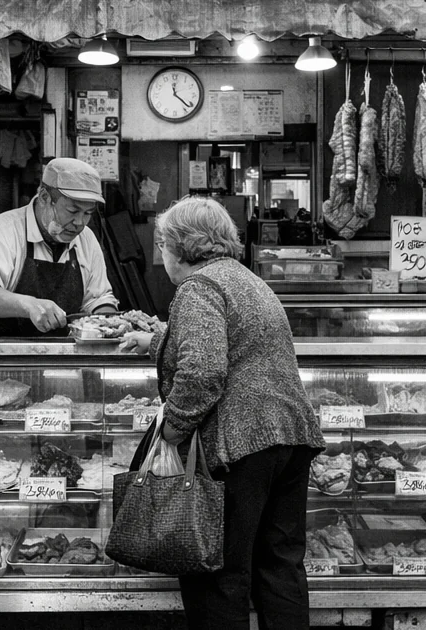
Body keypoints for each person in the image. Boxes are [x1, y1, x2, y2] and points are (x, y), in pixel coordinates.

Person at [120, 196, 325, 630]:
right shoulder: (247, 280)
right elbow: (232, 344)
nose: (161, 256)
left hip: (242, 447)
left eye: (162, 246)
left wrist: (173, 429)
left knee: (219, 576)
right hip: (290, 441)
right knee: (280, 566)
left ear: (179, 247)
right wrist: (156, 341)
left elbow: (203, 370)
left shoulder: (198, 287)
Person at [0, 157, 118, 337]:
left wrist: (108, 322)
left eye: (88, 213)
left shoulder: (86, 239)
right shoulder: (1, 232)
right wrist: (29, 305)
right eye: (72, 211)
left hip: (63, 358)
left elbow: (98, 298)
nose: (79, 223)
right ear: (44, 197)